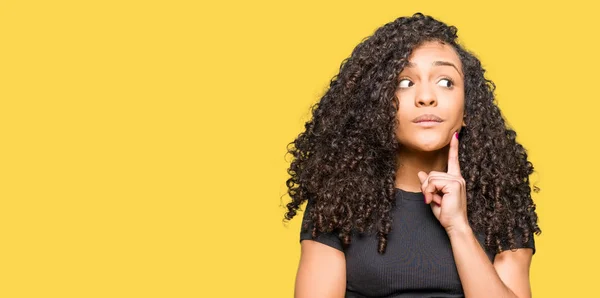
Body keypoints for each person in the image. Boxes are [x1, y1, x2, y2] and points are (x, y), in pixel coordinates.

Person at [283, 12, 542, 298]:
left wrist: (458, 227)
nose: (426, 97)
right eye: (405, 83)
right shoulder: (337, 200)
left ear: (468, 109)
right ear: (379, 105)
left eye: (445, 82)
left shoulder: (502, 198)